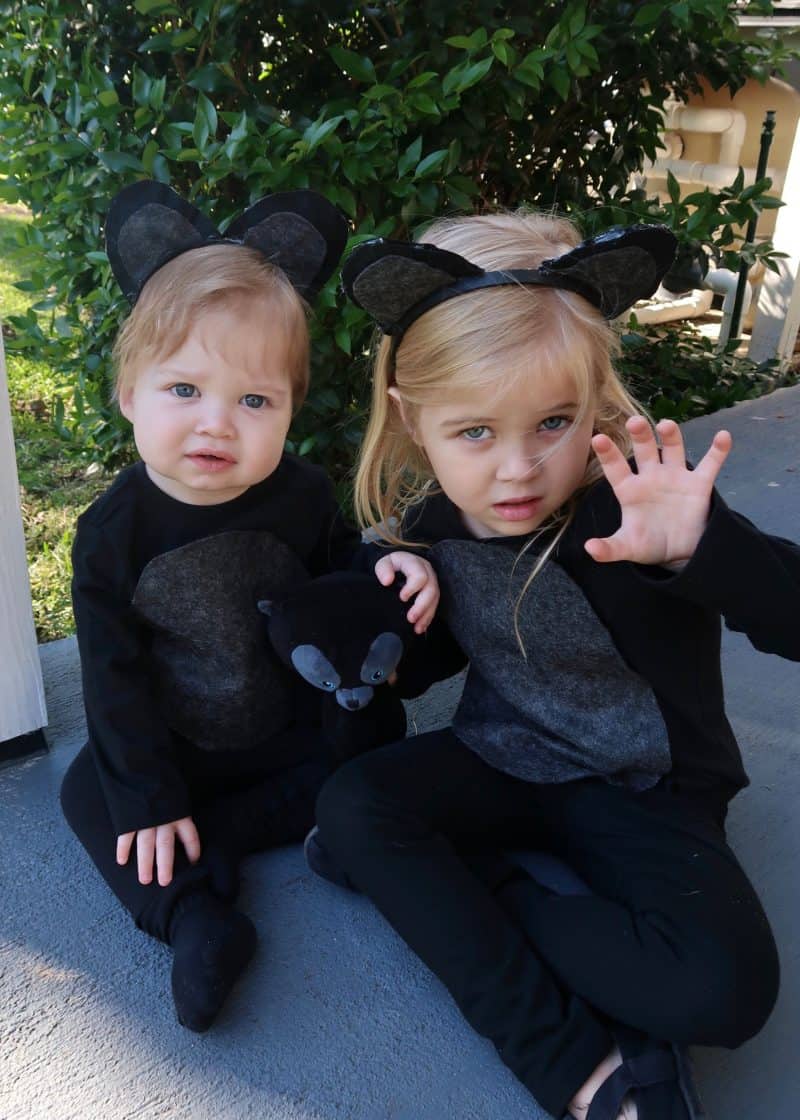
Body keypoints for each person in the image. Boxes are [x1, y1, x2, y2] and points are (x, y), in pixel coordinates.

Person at [311, 210, 799, 1120]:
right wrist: (395, 594)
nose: (517, 471)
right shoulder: (435, 525)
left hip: (644, 792)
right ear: (417, 424)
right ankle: (575, 1067)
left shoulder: (642, 505)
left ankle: (480, 889)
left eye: (552, 422)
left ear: (594, 401)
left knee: (724, 992)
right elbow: (416, 672)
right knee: (351, 807)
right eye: (476, 434)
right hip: (506, 758)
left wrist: (702, 551)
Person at [60, 181, 438, 1034]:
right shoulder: (111, 533)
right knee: (95, 790)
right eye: (183, 390)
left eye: (254, 401)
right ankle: (196, 917)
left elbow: (346, 582)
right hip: (184, 744)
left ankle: (268, 837)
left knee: (379, 739)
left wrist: (392, 572)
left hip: (291, 736)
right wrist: (150, 797)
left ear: (291, 411)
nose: (216, 425)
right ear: (128, 393)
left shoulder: (301, 495)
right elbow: (111, 681)